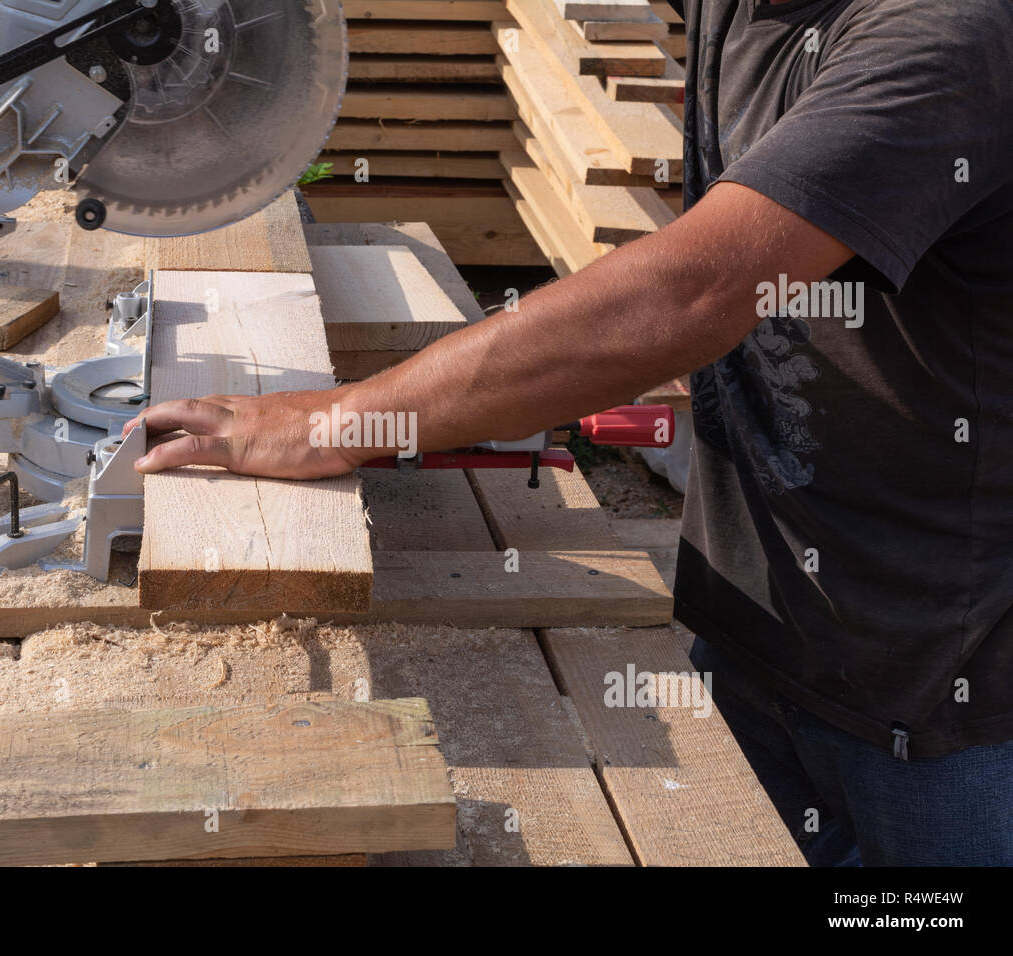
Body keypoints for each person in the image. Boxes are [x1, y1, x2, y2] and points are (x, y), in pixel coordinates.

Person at [122, 0, 1013, 866]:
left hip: (940, 688)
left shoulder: (948, 36)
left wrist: (339, 419)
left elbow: (687, 296)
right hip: (755, 611)